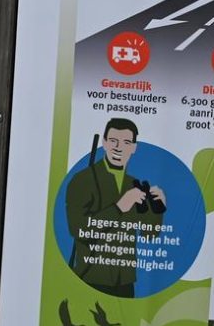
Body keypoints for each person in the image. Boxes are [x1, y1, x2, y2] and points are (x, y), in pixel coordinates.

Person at [65, 118, 166, 297]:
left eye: (126, 142)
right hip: (90, 279)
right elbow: (78, 229)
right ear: (104, 143)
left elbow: (149, 234)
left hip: (125, 283)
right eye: (113, 141)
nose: (119, 148)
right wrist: (119, 207)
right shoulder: (83, 180)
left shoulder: (134, 184)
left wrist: (158, 210)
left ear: (134, 148)